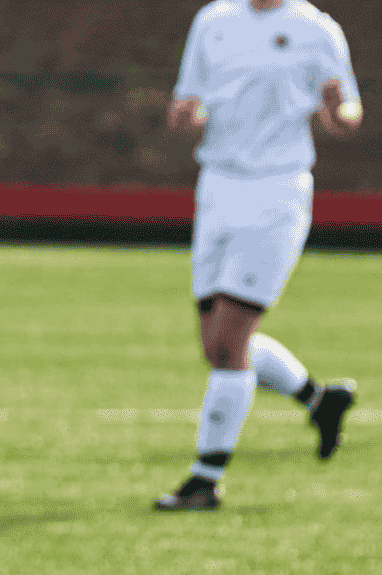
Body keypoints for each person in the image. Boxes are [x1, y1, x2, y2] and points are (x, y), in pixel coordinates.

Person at [154, 0, 362, 511]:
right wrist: (186, 116)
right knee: (218, 345)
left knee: (229, 343)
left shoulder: (316, 29)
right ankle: (320, 399)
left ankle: (205, 480)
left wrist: (338, 114)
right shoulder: (212, 20)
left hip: (277, 193)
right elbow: (189, 104)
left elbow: (348, 113)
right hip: (217, 189)